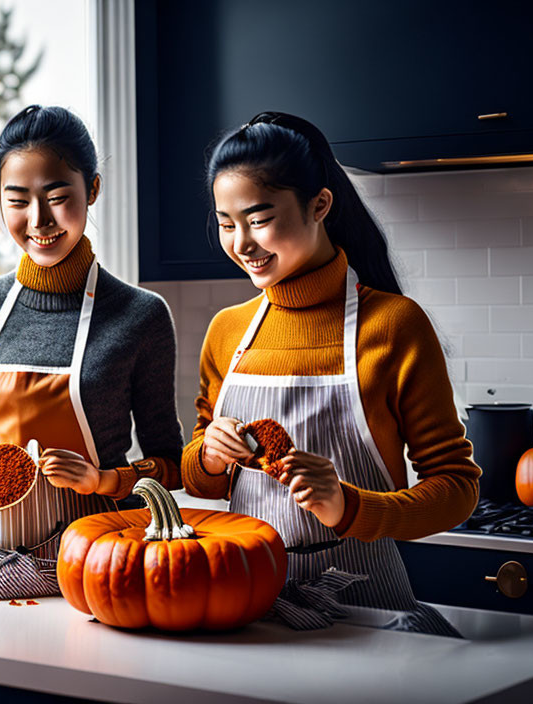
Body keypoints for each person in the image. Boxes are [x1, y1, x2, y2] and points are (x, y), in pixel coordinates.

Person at [181, 111, 480, 635]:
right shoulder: (226, 331)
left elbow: (456, 489)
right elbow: (202, 483)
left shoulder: (393, 325)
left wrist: (348, 505)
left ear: (319, 204)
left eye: (258, 218)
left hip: (368, 612)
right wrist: (207, 456)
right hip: (246, 604)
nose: (241, 243)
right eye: (227, 223)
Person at [0, 105, 183, 598]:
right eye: (18, 201)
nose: (39, 220)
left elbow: (169, 466)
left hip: (95, 566)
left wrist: (102, 480)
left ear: (93, 190)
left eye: (59, 197)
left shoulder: (140, 316)